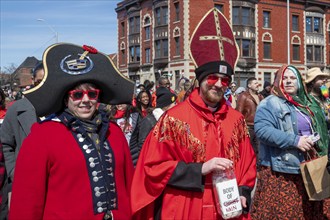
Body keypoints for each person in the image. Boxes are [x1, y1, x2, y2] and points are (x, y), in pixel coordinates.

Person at [131, 8, 256, 220]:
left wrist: (244, 191)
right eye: (212, 78)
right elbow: (152, 167)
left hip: (228, 207)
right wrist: (200, 169)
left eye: (224, 80)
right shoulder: (174, 119)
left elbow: (248, 162)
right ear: (200, 80)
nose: (218, 84)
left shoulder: (236, 120)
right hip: (186, 206)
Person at [9, 43, 135, 220]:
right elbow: (26, 203)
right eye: (77, 95)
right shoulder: (41, 137)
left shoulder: (115, 133)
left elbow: (131, 186)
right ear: (66, 97)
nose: (86, 101)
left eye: (92, 94)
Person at [251, 65, 329, 219]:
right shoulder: (270, 103)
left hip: (309, 167)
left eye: (292, 78)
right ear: (278, 81)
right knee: (285, 214)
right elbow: (262, 130)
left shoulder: (305, 103)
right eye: (284, 78)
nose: (288, 81)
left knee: (310, 213)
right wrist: (295, 140)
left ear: (299, 81)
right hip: (282, 171)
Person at [0, 62, 45, 220]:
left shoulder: (63, 108)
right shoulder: (17, 109)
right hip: (25, 185)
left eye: (46, 81)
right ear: (33, 81)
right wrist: (15, 171)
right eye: (39, 82)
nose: (42, 86)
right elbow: (5, 144)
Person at [137, 87, 177, 156]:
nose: (176, 105)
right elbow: (142, 145)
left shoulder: (169, 119)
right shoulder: (148, 120)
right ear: (166, 106)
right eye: (173, 103)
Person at [236, 77, 263, 156]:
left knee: (259, 150)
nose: (257, 84)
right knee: (247, 150)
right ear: (249, 85)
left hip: (259, 127)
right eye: (255, 83)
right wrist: (241, 127)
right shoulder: (244, 96)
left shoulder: (260, 97)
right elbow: (238, 113)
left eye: (257, 83)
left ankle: (257, 167)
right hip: (248, 127)